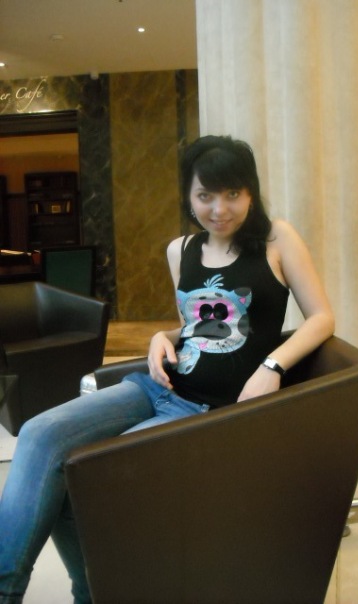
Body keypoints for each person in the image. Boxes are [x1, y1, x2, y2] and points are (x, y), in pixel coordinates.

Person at [0, 134, 334, 603]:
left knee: (86, 479)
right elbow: (196, 327)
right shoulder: (181, 250)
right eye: (205, 195)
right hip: (156, 387)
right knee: (39, 433)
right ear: (189, 197)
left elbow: (322, 317)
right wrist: (164, 336)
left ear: (251, 193)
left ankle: (90, 594)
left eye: (232, 193)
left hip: (208, 410)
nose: (219, 208)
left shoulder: (277, 240)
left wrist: (272, 364)